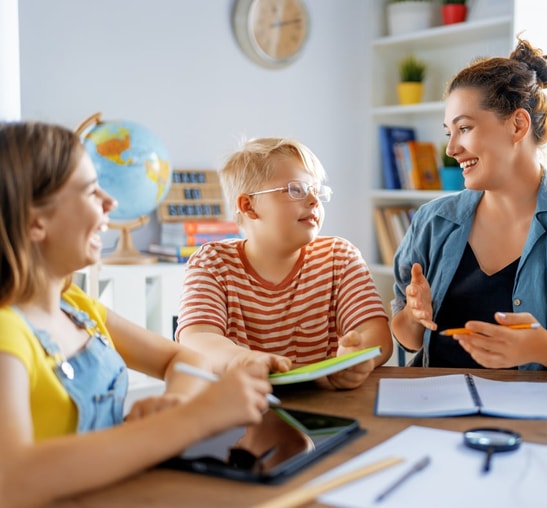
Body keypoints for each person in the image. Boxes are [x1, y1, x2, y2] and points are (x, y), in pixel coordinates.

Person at [0, 121, 280, 507]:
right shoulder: (7, 331)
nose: (110, 202)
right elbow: (12, 480)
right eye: (90, 191)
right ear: (36, 222)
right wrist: (191, 419)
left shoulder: (76, 307)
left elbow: (184, 358)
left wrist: (176, 402)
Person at [390, 37, 547, 373]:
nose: (451, 149)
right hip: (434, 400)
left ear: (517, 125)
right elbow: (408, 339)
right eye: (449, 133)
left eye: (464, 128)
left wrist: (540, 347)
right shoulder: (432, 220)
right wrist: (414, 315)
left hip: (536, 404)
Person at [176, 137, 393, 389]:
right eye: (296, 190)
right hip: (241, 403)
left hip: (326, 401)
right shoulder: (212, 263)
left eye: (317, 190)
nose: (314, 200)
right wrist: (244, 359)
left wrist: (356, 359)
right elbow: (198, 338)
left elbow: (374, 331)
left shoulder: (340, 257)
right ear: (249, 206)